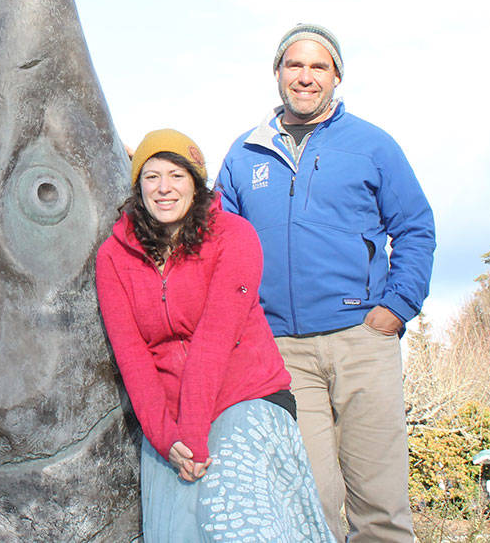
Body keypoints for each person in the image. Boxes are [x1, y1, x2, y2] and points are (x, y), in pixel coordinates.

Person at [216, 24, 436, 541]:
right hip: (283, 351)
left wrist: (397, 306)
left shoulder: (372, 146)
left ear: (337, 76)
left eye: (319, 67)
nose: (306, 77)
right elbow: (217, 243)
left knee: (379, 501)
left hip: (362, 338)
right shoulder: (245, 154)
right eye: (295, 65)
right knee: (310, 501)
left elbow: (415, 227)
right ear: (277, 74)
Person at [96, 130, 334, 542]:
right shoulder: (113, 256)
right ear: (138, 188)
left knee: (234, 521)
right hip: (167, 419)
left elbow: (214, 341)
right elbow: (132, 356)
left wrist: (192, 437)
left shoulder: (235, 235)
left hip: (244, 393)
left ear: (196, 183)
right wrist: (168, 438)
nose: (164, 188)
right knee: (174, 531)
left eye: (176, 175)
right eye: (152, 177)